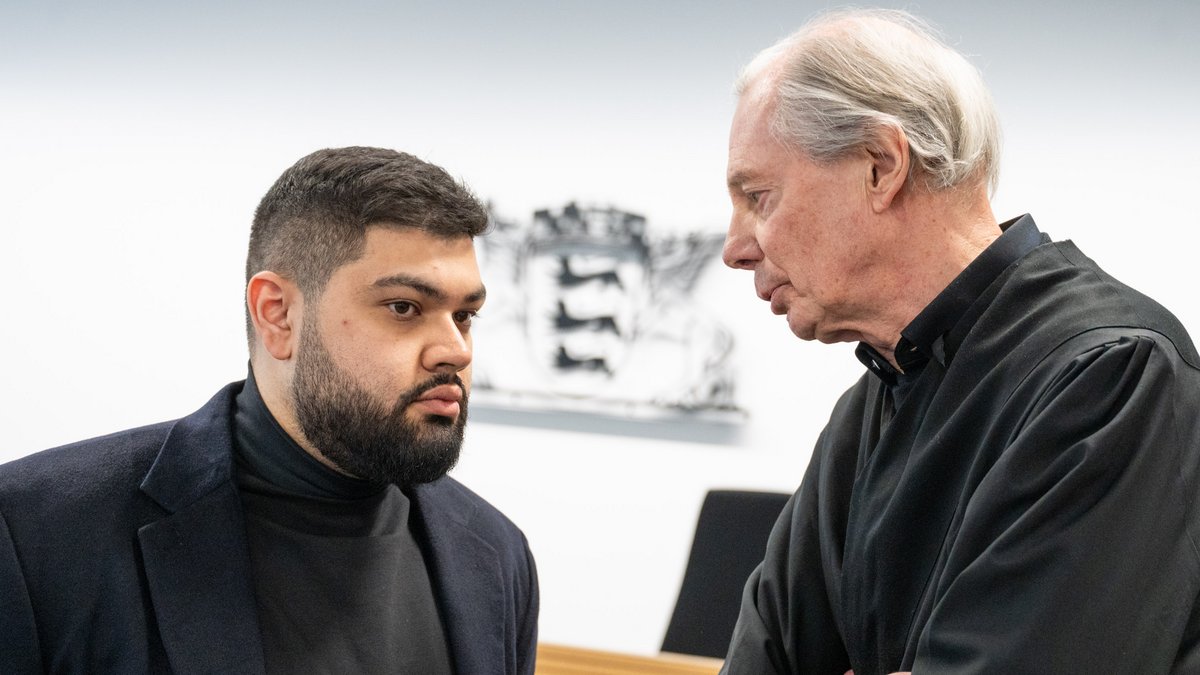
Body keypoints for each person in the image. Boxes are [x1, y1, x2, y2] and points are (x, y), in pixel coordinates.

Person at [720, 8, 1200, 674]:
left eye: (760, 196)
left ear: (882, 166)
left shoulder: (1109, 375)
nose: (735, 248)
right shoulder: (873, 404)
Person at [0, 147, 538, 674]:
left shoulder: (495, 553)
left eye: (465, 315)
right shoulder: (37, 536)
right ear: (277, 314)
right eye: (404, 307)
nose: (456, 350)